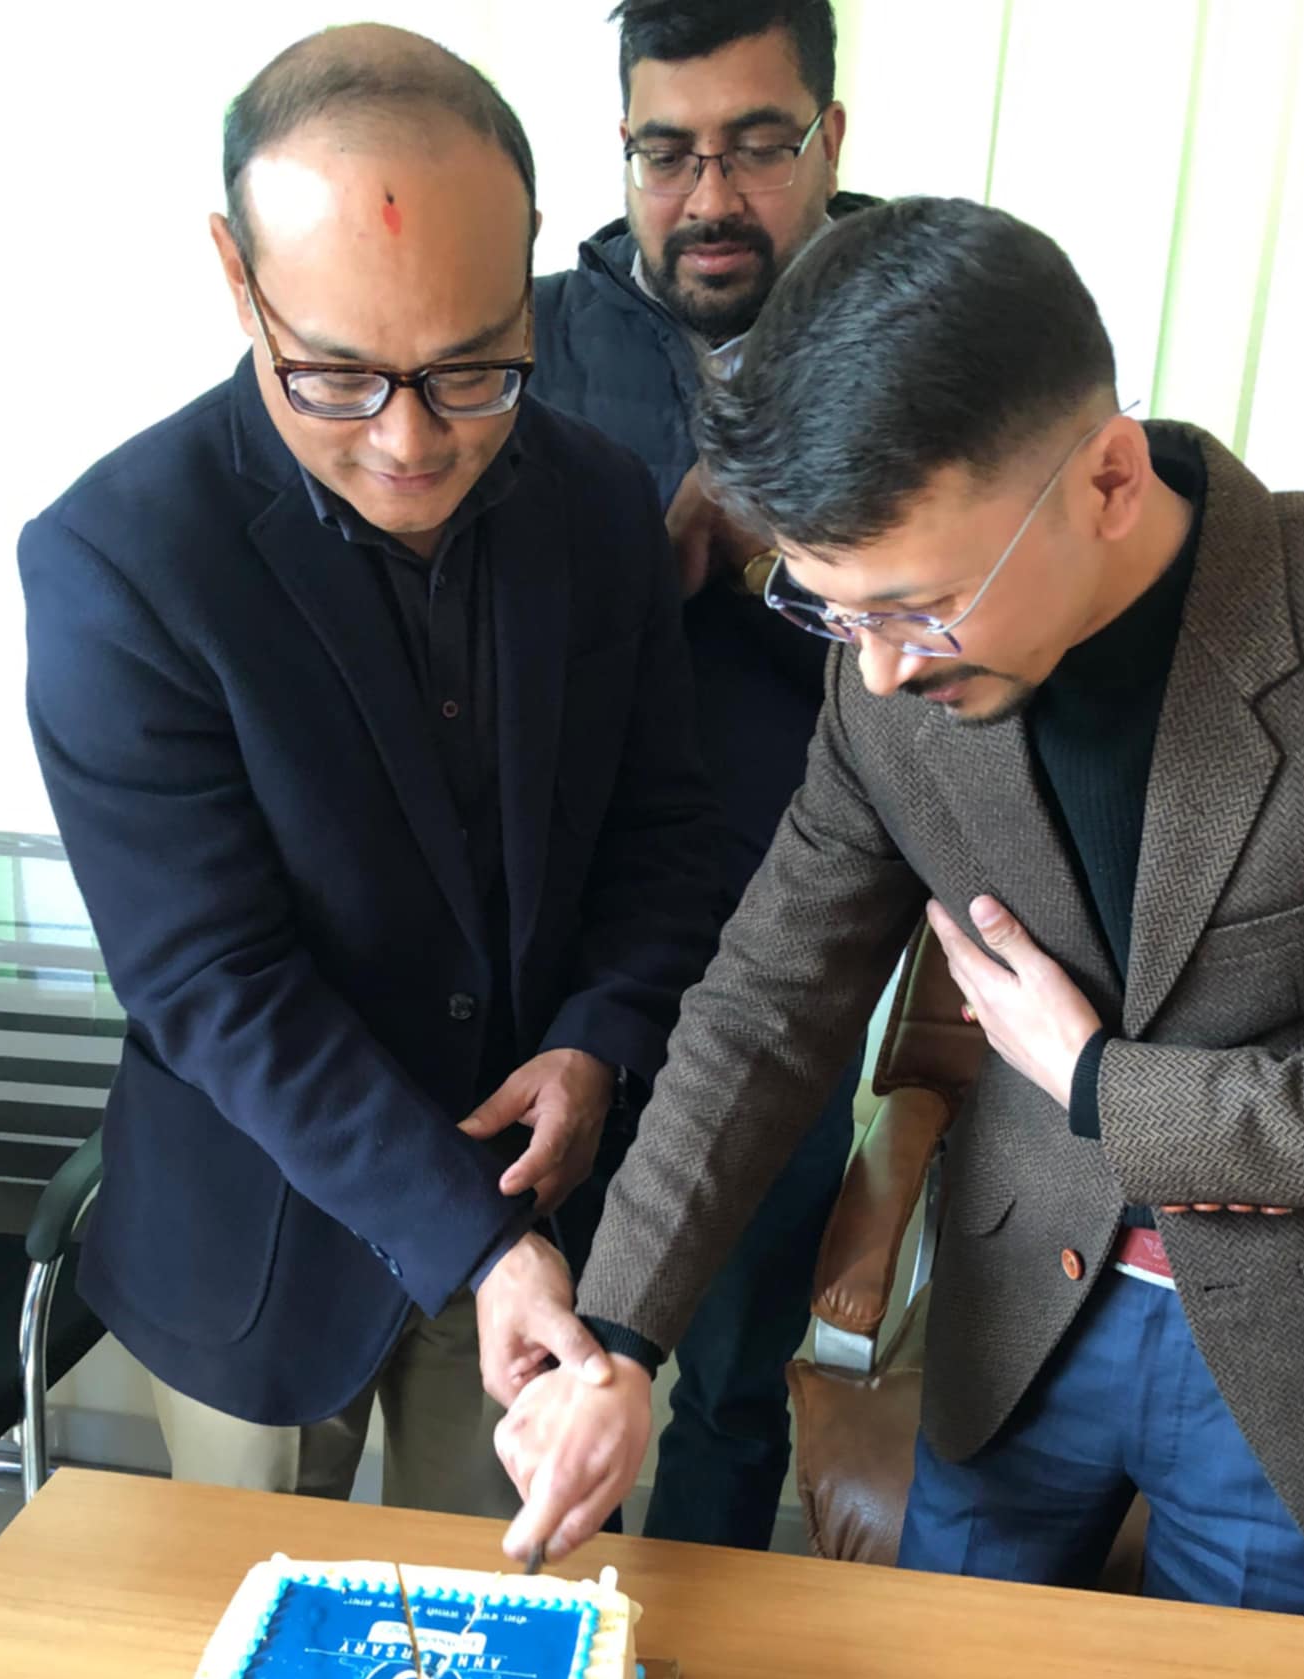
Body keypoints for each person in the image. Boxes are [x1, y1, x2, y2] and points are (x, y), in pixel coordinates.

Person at [486, 195, 1304, 1622]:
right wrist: (616, 1339)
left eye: (918, 608)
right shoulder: (885, 682)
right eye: (831, 611)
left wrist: (1108, 1089)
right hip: (1016, 1318)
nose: (881, 673)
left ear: (1106, 480)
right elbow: (767, 1004)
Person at [20, 25, 719, 1511]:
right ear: (237, 274)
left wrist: (599, 1038)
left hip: (547, 1208)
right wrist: (469, 1237)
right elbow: (211, 980)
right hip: (262, 1245)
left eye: (474, 370)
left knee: (510, 1615)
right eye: (336, 376)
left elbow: (665, 833)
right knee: (253, 1624)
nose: (411, 441)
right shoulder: (120, 561)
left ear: (528, 260)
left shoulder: (601, 505)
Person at [515, 0, 877, 1549]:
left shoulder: (924, 337)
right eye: (667, 152)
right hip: (563, 973)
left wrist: (780, 543)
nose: (709, 196)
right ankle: (547, 1646)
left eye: (756, 145)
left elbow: (991, 646)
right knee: (552, 1358)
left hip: (793, 959)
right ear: (623, 147)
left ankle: (706, 1660)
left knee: (732, 1383)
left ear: (830, 138)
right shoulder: (528, 341)